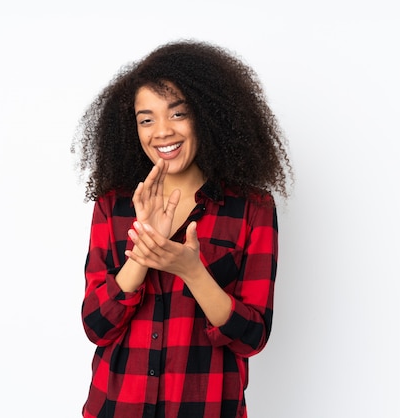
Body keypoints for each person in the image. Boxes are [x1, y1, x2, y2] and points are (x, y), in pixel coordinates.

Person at [71, 39, 292, 418]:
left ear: (207, 115)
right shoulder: (114, 205)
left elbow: (252, 337)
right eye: (146, 119)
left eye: (177, 114)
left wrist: (193, 272)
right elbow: (96, 325)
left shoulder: (252, 209)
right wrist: (143, 249)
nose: (161, 132)